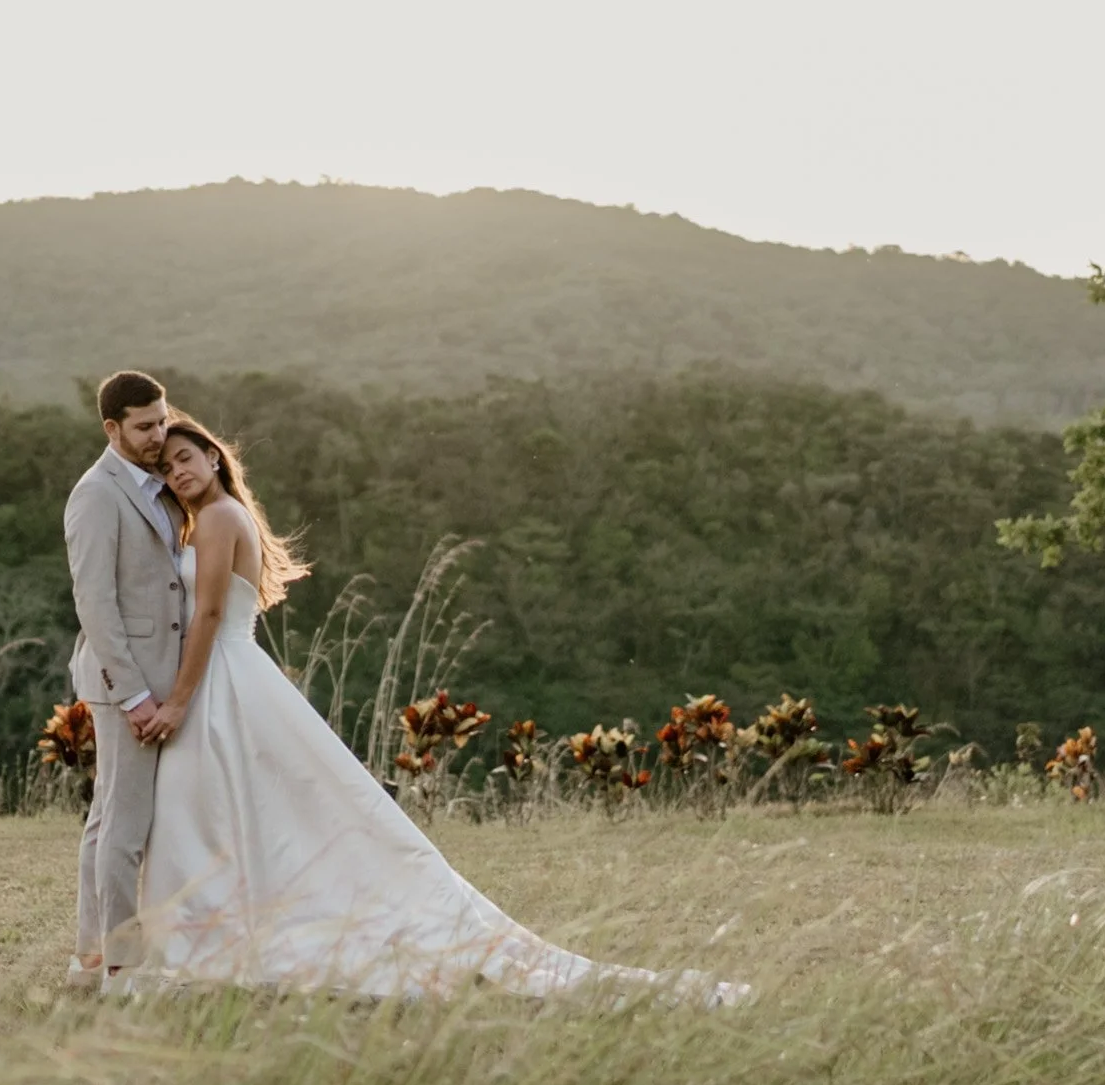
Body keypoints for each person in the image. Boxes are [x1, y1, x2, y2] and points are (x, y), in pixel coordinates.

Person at [137, 420, 747, 1005]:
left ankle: (211, 939)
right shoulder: (213, 519)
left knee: (210, 808)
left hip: (223, 677)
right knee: (240, 808)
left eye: (186, 457)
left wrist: (179, 700)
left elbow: (210, 616)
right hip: (236, 677)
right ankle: (227, 930)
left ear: (215, 457)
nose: (177, 471)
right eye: (166, 466)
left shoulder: (217, 518)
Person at [61, 368, 186, 984]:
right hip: (126, 684)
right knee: (124, 828)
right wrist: (133, 693)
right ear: (111, 428)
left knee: (108, 820)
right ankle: (120, 967)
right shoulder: (96, 493)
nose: (158, 434)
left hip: (161, 675)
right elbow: (95, 602)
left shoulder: (159, 483)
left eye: (162, 420)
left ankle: (90, 959)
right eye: (144, 426)